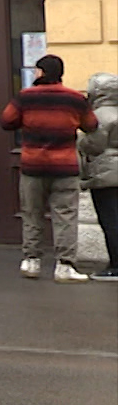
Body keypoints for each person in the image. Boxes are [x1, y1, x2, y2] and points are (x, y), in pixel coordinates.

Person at [2, 54, 97, 284]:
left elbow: (6, 121)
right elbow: (92, 125)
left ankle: (32, 260)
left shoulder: (25, 97)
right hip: (65, 166)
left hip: (33, 165)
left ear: (42, 72)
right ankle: (64, 265)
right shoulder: (74, 98)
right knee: (65, 215)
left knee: (32, 213)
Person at [80, 73, 118, 281]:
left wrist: (80, 143)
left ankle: (116, 265)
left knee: (110, 221)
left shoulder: (101, 116)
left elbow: (94, 144)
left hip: (105, 173)